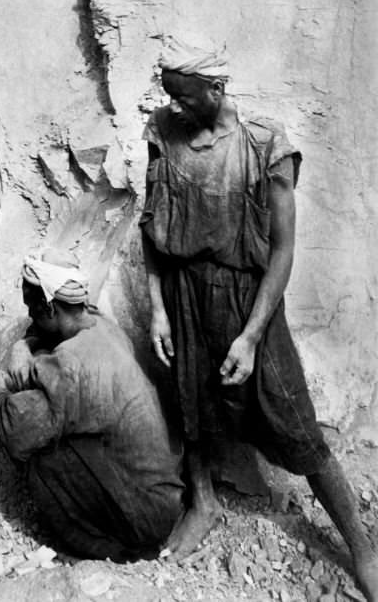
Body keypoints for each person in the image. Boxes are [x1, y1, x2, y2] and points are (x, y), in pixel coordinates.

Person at [140, 35, 377, 599]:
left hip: (248, 298)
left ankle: (362, 547)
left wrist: (250, 336)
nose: (174, 107)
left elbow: (283, 251)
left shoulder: (264, 145)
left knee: (292, 414)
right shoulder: (163, 134)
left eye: (184, 96)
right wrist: (156, 307)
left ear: (216, 89)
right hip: (183, 291)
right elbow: (149, 226)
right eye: (169, 96)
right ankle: (203, 502)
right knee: (191, 400)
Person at [0, 248, 184, 561]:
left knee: (42, 459)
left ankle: (106, 553)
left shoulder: (73, 364)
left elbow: (16, 431)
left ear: (49, 309)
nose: (30, 316)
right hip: (164, 495)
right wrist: (26, 344)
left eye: (32, 308)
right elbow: (45, 336)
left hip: (145, 517)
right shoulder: (102, 326)